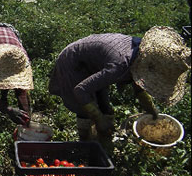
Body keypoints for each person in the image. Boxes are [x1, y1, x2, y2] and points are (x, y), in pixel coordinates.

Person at [48, 26, 191, 150]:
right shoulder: (120, 64)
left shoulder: (143, 54)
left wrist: (148, 106)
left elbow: (139, 78)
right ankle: (84, 144)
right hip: (74, 63)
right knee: (86, 110)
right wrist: (98, 119)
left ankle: (101, 141)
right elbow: (81, 90)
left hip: (95, 63)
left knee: (106, 108)